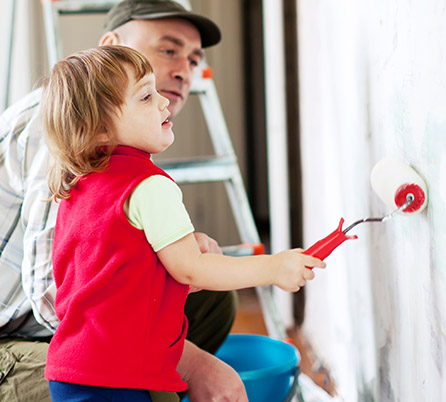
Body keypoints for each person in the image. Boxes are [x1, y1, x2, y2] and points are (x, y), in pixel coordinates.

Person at [40, 44, 325, 402]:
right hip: (119, 376)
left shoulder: (78, 187)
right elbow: (193, 268)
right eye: (146, 97)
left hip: (68, 370)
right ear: (98, 129)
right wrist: (274, 267)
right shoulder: (148, 186)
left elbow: (104, 277)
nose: (163, 102)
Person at [0, 2, 242, 401]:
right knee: (108, 385)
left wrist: (174, 258)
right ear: (111, 45)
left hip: (56, 325)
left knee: (212, 300)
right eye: (169, 50)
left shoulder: (127, 139)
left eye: (193, 59)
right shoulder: (65, 123)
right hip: (11, 336)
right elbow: (50, 292)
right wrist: (191, 361)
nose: (184, 71)